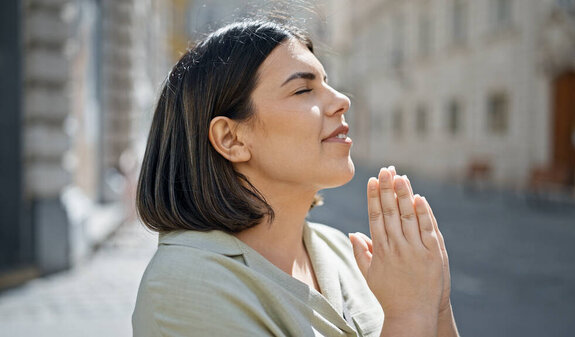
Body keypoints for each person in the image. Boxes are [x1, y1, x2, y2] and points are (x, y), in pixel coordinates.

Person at [132, 19, 459, 337]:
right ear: (231, 139)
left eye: (326, 82)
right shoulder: (186, 284)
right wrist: (410, 312)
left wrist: (436, 303)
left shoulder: (342, 251)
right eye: (303, 89)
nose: (341, 100)